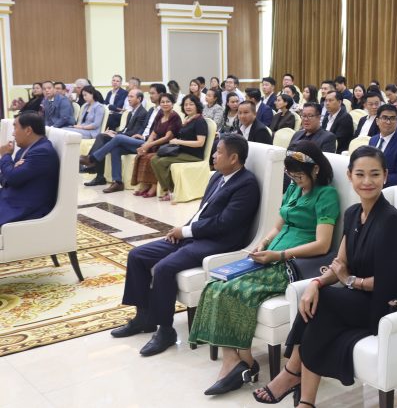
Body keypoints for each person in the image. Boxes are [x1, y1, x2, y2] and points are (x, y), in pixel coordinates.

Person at [253, 146, 397, 406]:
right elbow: (340, 263)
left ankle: (292, 374)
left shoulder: (391, 220)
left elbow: (388, 283)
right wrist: (315, 283)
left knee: (323, 303)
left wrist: (349, 280)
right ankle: (305, 399)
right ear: (349, 176)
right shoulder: (353, 214)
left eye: (374, 174)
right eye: (360, 174)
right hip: (357, 297)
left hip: (383, 304)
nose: (367, 181)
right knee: (317, 302)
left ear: (385, 176)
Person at [189, 142, 340, 396]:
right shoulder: (294, 188)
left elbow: (323, 244)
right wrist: (263, 242)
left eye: (300, 176)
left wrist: (279, 254)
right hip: (270, 257)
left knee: (236, 291)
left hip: (292, 265)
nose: (296, 181)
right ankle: (235, 359)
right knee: (215, 285)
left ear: (315, 170)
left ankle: (242, 362)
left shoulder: (326, 195)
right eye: (292, 176)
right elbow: (278, 225)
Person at [111, 134, 261, 356]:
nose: (214, 155)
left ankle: (165, 330)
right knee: (137, 255)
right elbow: (203, 212)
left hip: (218, 243)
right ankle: (143, 317)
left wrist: (187, 231)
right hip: (196, 235)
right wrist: (183, 229)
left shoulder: (246, 184)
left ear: (233, 158)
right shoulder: (218, 177)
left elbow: (225, 223)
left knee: (164, 268)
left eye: (219, 151)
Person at [80, 84, 165, 192]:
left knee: (118, 138)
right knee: (115, 148)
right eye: (150, 93)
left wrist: (143, 137)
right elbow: (142, 128)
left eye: (153, 93)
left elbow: (157, 132)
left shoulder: (160, 112)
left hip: (147, 143)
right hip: (139, 139)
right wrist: (116, 133)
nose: (150, 95)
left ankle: (92, 159)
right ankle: (118, 182)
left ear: (161, 94)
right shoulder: (151, 110)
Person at [0, 111, 60, 226]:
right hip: (11, 199)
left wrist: (6, 155)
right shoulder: (26, 149)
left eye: (15, 128)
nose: (13, 133)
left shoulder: (43, 152)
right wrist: (11, 171)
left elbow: (12, 177)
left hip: (24, 208)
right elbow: (7, 177)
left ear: (28, 130)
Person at [149, 95, 209, 203]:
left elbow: (200, 143)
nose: (188, 107)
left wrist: (179, 141)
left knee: (161, 162)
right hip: (182, 151)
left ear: (197, 106)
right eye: (186, 104)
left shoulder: (200, 121)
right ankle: (168, 189)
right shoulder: (187, 119)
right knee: (154, 159)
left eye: (191, 104)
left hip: (194, 155)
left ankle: (171, 191)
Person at [132, 93, 182, 198]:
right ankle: (145, 184)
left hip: (167, 147)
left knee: (151, 158)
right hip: (156, 145)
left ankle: (154, 187)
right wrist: (146, 145)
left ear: (173, 103)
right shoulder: (160, 114)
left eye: (168, 102)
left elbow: (167, 137)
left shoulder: (175, 117)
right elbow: (154, 133)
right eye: (162, 102)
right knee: (141, 156)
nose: (165, 104)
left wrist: (149, 145)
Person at [368, 104, 397, 187]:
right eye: (385, 118)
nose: (388, 122)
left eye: (392, 118)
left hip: (389, 188)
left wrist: (377, 179)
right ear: (377, 121)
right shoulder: (373, 140)